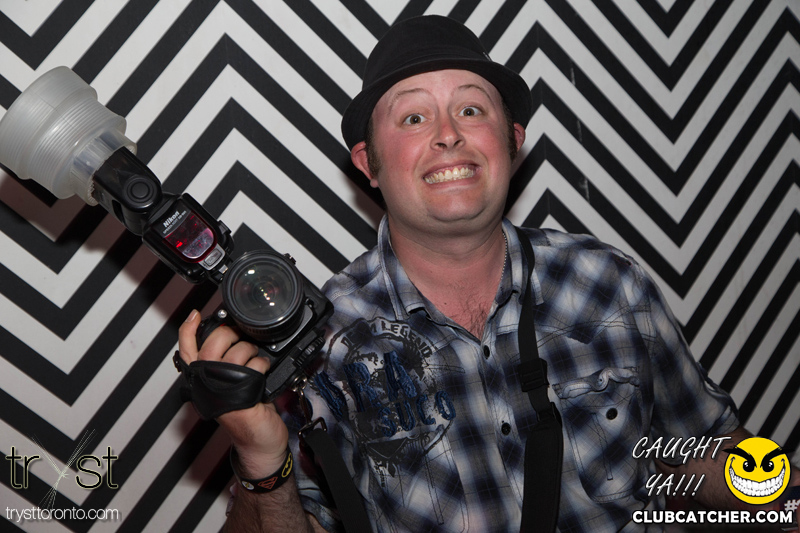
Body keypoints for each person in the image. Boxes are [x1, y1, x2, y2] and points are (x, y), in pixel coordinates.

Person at [177, 15, 790, 532]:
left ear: (512, 140)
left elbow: (707, 450)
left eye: (470, 109)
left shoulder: (607, 282)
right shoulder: (320, 347)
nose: (448, 135)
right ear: (369, 163)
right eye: (413, 119)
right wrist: (260, 459)